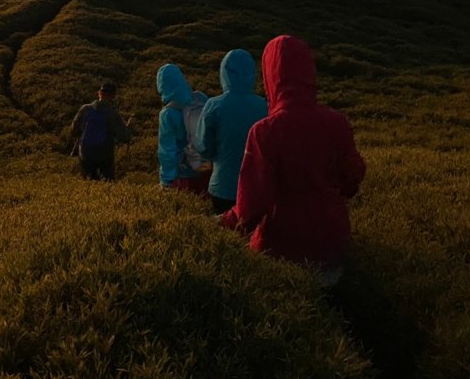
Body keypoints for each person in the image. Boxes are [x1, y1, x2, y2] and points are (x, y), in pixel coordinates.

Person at [220, 35, 365, 282]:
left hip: (281, 251)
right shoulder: (336, 123)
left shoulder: (265, 131)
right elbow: (353, 176)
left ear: (270, 76)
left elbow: (251, 207)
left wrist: (221, 224)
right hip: (332, 245)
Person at [196, 49, 268, 214]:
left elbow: (205, 149)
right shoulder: (265, 106)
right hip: (256, 188)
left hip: (222, 187)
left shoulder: (214, 106)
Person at [156, 63, 209, 194]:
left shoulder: (168, 113)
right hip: (208, 170)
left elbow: (167, 151)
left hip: (184, 175)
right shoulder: (200, 99)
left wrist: (166, 181)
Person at [70, 81, 131, 180]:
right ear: (113, 96)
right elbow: (123, 137)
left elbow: (73, 131)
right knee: (107, 182)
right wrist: (128, 128)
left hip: (85, 153)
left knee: (87, 182)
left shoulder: (85, 109)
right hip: (104, 154)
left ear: (99, 93)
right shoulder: (112, 113)